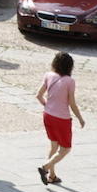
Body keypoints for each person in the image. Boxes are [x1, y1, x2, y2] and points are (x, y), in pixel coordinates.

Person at [37, 51, 84, 185]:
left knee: (54, 146)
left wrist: (48, 106)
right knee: (65, 149)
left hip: (48, 115)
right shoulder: (70, 81)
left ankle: (52, 176)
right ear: (70, 66)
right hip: (62, 119)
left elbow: (39, 95)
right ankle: (45, 168)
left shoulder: (48, 75)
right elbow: (72, 103)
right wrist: (80, 118)